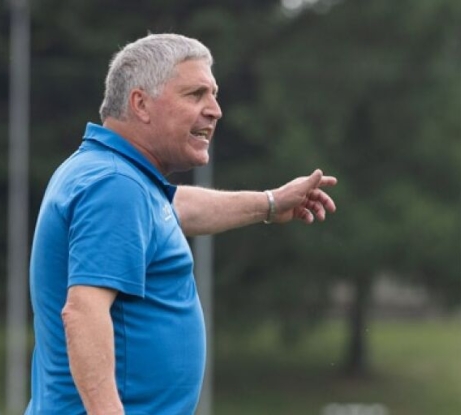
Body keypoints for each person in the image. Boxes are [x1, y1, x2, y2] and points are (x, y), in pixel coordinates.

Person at [25, 33, 337, 415]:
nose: (215, 110)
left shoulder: (116, 176)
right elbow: (83, 313)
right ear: (141, 104)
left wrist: (270, 203)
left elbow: (176, 208)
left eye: (214, 95)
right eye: (195, 94)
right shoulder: (116, 186)